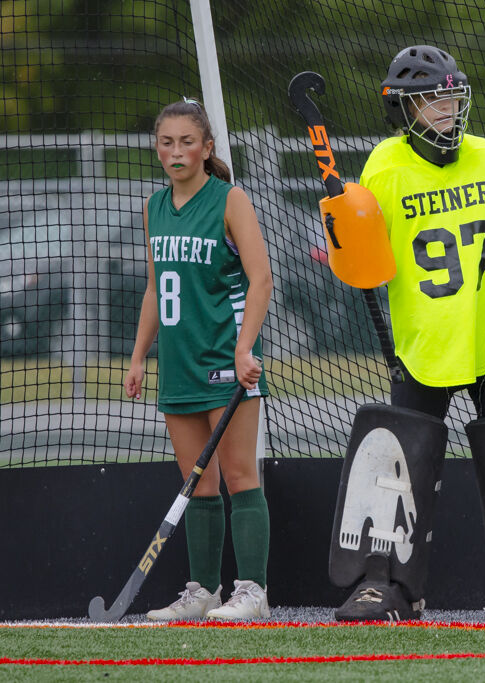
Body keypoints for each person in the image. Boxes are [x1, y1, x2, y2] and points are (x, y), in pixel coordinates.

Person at [328, 45, 485, 622]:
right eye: (431, 99)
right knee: (403, 468)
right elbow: (367, 262)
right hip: (422, 345)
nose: (445, 108)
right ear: (404, 109)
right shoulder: (383, 168)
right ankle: (391, 584)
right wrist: (345, 232)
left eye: (451, 96)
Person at [124, 98, 273, 621]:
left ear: (207, 148)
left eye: (187, 141)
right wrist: (140, 356)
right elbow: (153, 287)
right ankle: (202, 592)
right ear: (157, 149)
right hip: (179, 364)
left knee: (237, 474)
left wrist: (244, 348)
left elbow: (261, 278)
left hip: (228, 364)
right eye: (166, 142)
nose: (176, 151)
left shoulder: (230, 199)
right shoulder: (154, 207)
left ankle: (252, 591)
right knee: (196, 482)